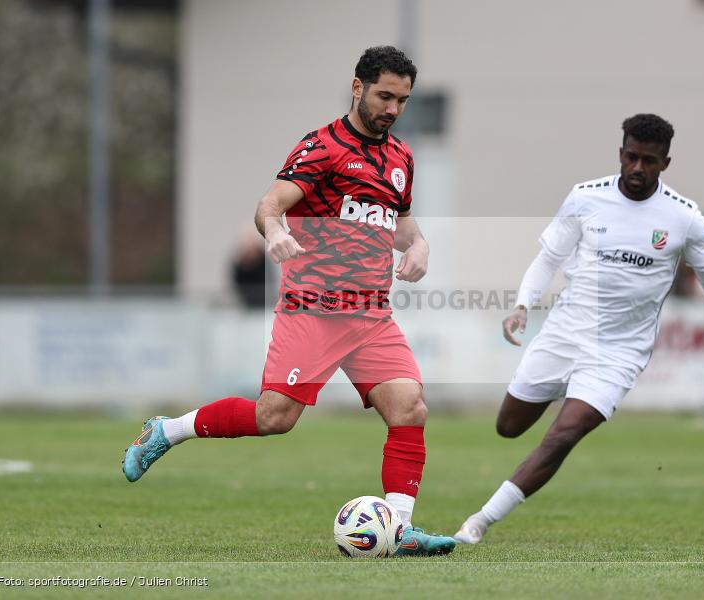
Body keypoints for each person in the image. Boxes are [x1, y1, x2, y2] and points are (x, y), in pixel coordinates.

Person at [123, 46, 456, 556]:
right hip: (312, 310)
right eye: (385, 96)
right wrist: (275, 233)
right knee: (273, 417)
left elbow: (403, 226)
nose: (392, 109)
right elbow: (269, 205)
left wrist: (421, 246)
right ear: (357, 87)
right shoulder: (321, 147)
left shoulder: (400, 158)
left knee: (410, 408)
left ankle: (402, 528)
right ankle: (166, 431)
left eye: (402, 100)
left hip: (370, 315)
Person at [453, 114, 704, 545]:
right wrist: (522, 306)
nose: (637, 168)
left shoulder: (684, 217)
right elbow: (549, 259)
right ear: (620, 153)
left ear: (665, 163)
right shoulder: (584, 198)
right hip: (564, 333)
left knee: (564, 433)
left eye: (648, 160)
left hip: (619, 352)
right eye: (631, 157)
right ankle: (563, 386)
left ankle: (479, 522)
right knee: (509, 426)